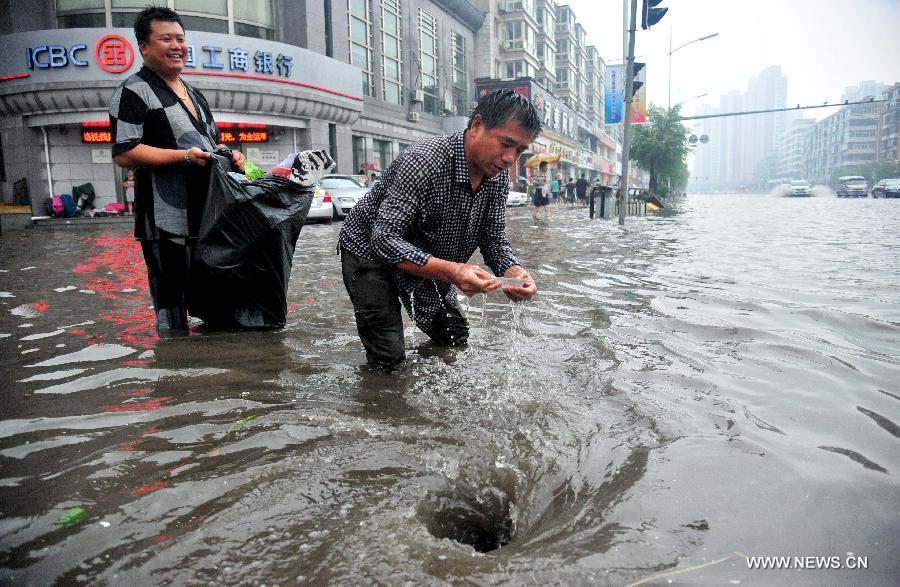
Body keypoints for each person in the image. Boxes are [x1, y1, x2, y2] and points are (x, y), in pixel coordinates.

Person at [338, 89, 540, 370]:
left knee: (453, 337)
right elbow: (384, 239)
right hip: (368, 251)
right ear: (477, 126)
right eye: (506, 143)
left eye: (519, 150)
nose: (510, 158)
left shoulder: (497, 181)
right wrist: (454, 271)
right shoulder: (423, 161)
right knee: (389, 358)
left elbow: (493, 240)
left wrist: (513, 271)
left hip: (428, 256)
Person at [109, 6, 245, 332]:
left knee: (217, 303)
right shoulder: (134, 90)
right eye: (166, 39)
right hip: (164, 222)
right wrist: (182, 156)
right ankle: (172, 373)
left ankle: (213, 376)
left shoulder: (193, 92)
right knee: (171, 308)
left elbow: (213, 143)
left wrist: (233, 155)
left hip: (208, 217)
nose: (176, 46)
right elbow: (125, 152)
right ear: (143, 46)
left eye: (180, 39)